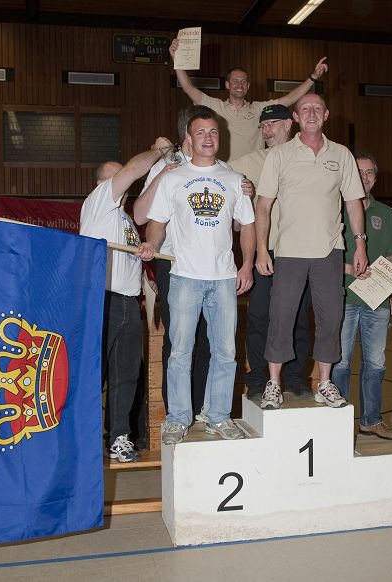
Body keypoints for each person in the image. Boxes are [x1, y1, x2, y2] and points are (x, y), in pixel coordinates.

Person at [139, 109, 255, 446]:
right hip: (184, 278)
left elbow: (247, 225)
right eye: (201, 132)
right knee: (180, 352)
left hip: (223, 280)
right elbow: (156, 223)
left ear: (220, 137)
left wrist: (247, 265)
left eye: (213, 132)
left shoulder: (234, 179)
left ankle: (218, 415)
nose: (208, 138)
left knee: (225, 352)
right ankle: (177, 418)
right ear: (189, 138)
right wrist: (151, 244)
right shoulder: (172, 178)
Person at [255, 93, 367, 410]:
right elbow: (263, 206)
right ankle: (273, 384)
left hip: (329, 251)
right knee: (281, 317)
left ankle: (325, 383)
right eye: (305, 109)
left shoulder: (342, 154)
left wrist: (360, 244)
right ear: (296, 117)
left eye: (317, 108)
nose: (312, 113)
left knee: (331, 318)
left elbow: (353, 202)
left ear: (326, 115)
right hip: (289, 251)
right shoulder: (280, 155)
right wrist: (262, 248)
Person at [80, 136, 171, 462]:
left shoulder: (124, 217)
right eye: (118, 176)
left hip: (128, 303)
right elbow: (133, 170)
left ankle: (118, 437)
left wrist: (165, 171)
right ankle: (83, 440)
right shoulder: (98, 202)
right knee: (95, 374)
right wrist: (158, 151)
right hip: (102, 300)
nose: (126, 181)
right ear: (101, 184)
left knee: (127, 374)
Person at [229, 104, 312, 400]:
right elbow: (216, 170)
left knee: (299, 317)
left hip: (301, 251)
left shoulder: (307, 157)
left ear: (289, 124)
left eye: (272, 123)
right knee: (259, 316)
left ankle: (296, 376)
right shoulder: (251, 161)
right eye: (263, 125)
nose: (266, 130)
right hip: (266, 250)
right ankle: (259, 377)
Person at [331, 152, 392, 439]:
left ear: (375, 179)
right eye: (358, 172)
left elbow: (391, 255)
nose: (363, 177)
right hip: (342, 298)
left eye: (369, 173)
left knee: (376, 363)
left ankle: (371, 420)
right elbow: (322, 255)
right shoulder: (334, 208)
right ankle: (338, 425)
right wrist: (349, 269)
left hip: (376, 301)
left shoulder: (385, 214)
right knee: (340, 362)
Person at [169, 39, 328, 160]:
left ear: (248, 86)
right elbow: (188, 88)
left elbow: (289, 98)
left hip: (255, 175)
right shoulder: (215, 106)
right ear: (227, 85)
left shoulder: (260, 109)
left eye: (243, 81)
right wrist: (177, 59)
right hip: (225, 173)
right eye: (235, 81)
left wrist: (313, 77)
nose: (239, 85)